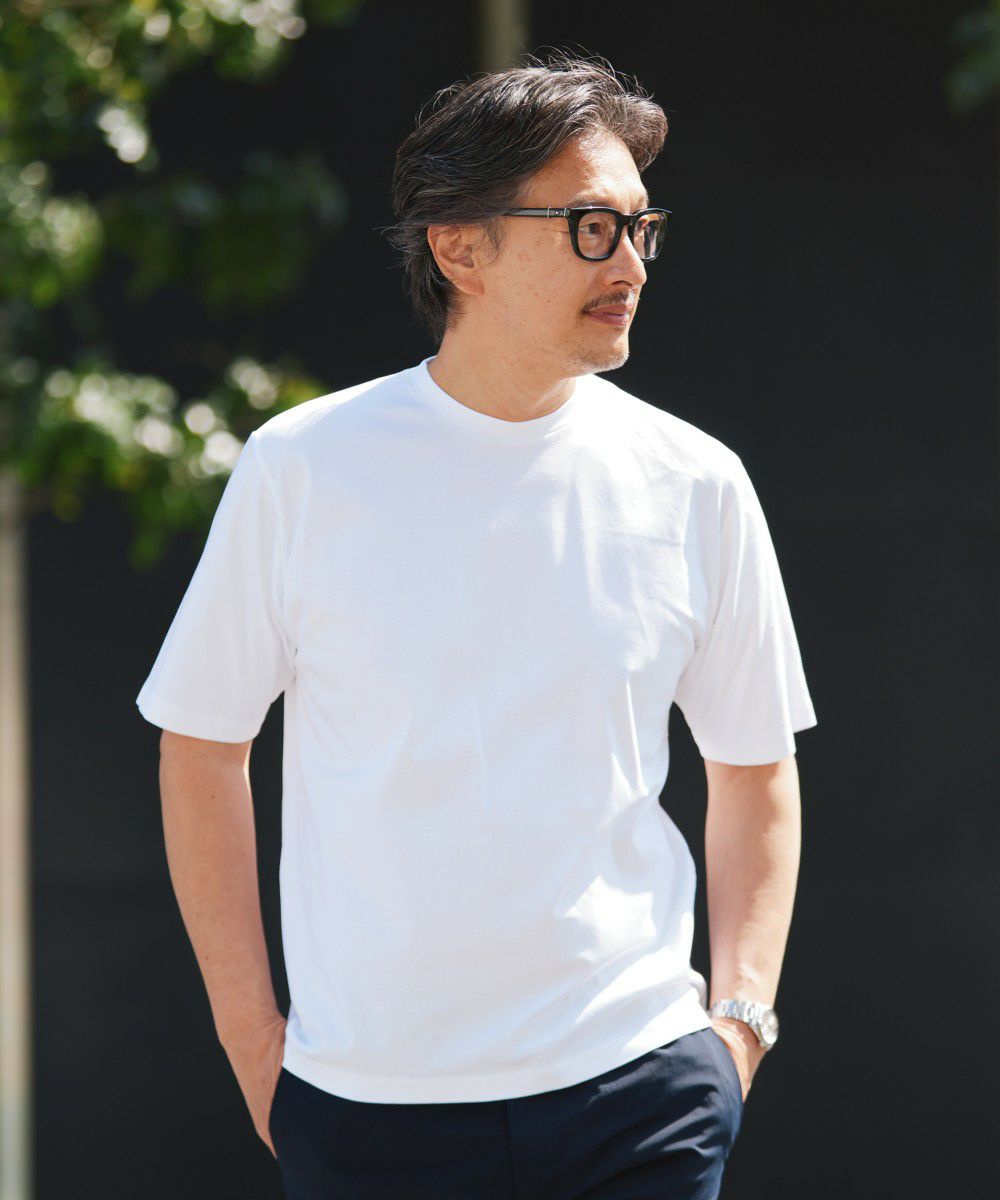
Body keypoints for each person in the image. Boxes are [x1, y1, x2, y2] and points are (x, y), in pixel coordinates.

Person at [136, 49, 817, 1200]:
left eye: (641, 227)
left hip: (639, 1092)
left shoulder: (695, 481)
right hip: (369, 1109)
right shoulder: (305, 467)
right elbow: (201, 746)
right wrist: (258, 1048)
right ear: (459, 248)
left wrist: (736, 1028)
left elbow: (754, 767)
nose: (630, 262)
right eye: (591, 228)